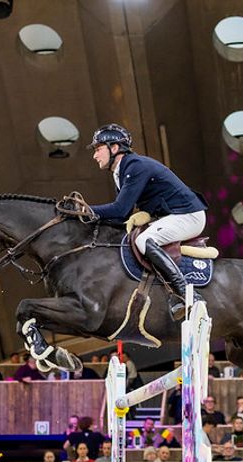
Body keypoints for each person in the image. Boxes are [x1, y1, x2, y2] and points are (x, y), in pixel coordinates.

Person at [87, 123, 208, 319]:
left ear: (114, 148)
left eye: (98, 149)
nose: (95, 155)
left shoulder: (135, 166)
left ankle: (186, 294)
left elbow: (120, 209)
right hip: (172, 216)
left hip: (188, 216)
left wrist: (85, 210)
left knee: (144, 240)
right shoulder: (121, 171)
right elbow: (121, 216)